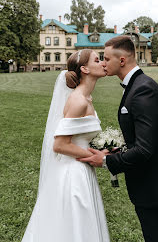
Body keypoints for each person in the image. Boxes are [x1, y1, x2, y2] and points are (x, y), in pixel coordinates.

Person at [78, 36, 158, 242]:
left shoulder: (143, 89)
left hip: (154, 184)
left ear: (121, 61)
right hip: (148, 183)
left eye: (106, 58)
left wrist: (105, 161)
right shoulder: (136, 85)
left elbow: (145, 149)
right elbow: (141, 140)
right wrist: (115, 152)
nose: (103, 63)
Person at [21, 49, 110, 242]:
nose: (103, 63)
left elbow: (78, 135)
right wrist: (97, 157)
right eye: (98, 59)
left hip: (82, 169)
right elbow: (60, 145)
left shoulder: (87, 98)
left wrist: (102, 148)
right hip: (73, 175)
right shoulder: (78, 100)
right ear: (85, 68)